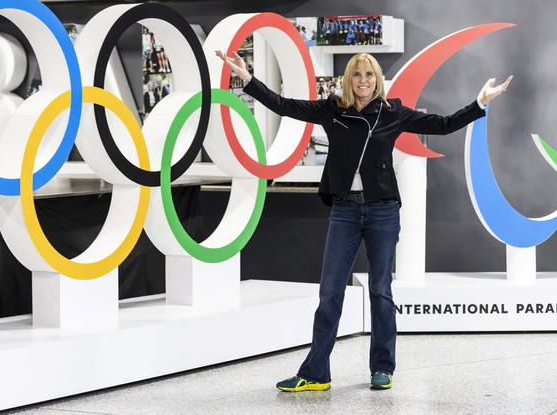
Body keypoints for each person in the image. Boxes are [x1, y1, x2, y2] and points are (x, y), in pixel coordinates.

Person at [215, 49, 512, 392]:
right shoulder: (332, 109)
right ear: (348, 80)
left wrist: (479, 103)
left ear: (377, 80)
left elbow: (442, 126)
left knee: (380, 290)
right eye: (357, 74)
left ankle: (382, 369)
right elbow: (283, 105)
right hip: (344, 210)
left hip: (382, 210)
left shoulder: (392, 112)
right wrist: (247, 78)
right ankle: (315, 374)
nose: (363, 81)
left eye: (369, 75)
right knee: (329, 293)